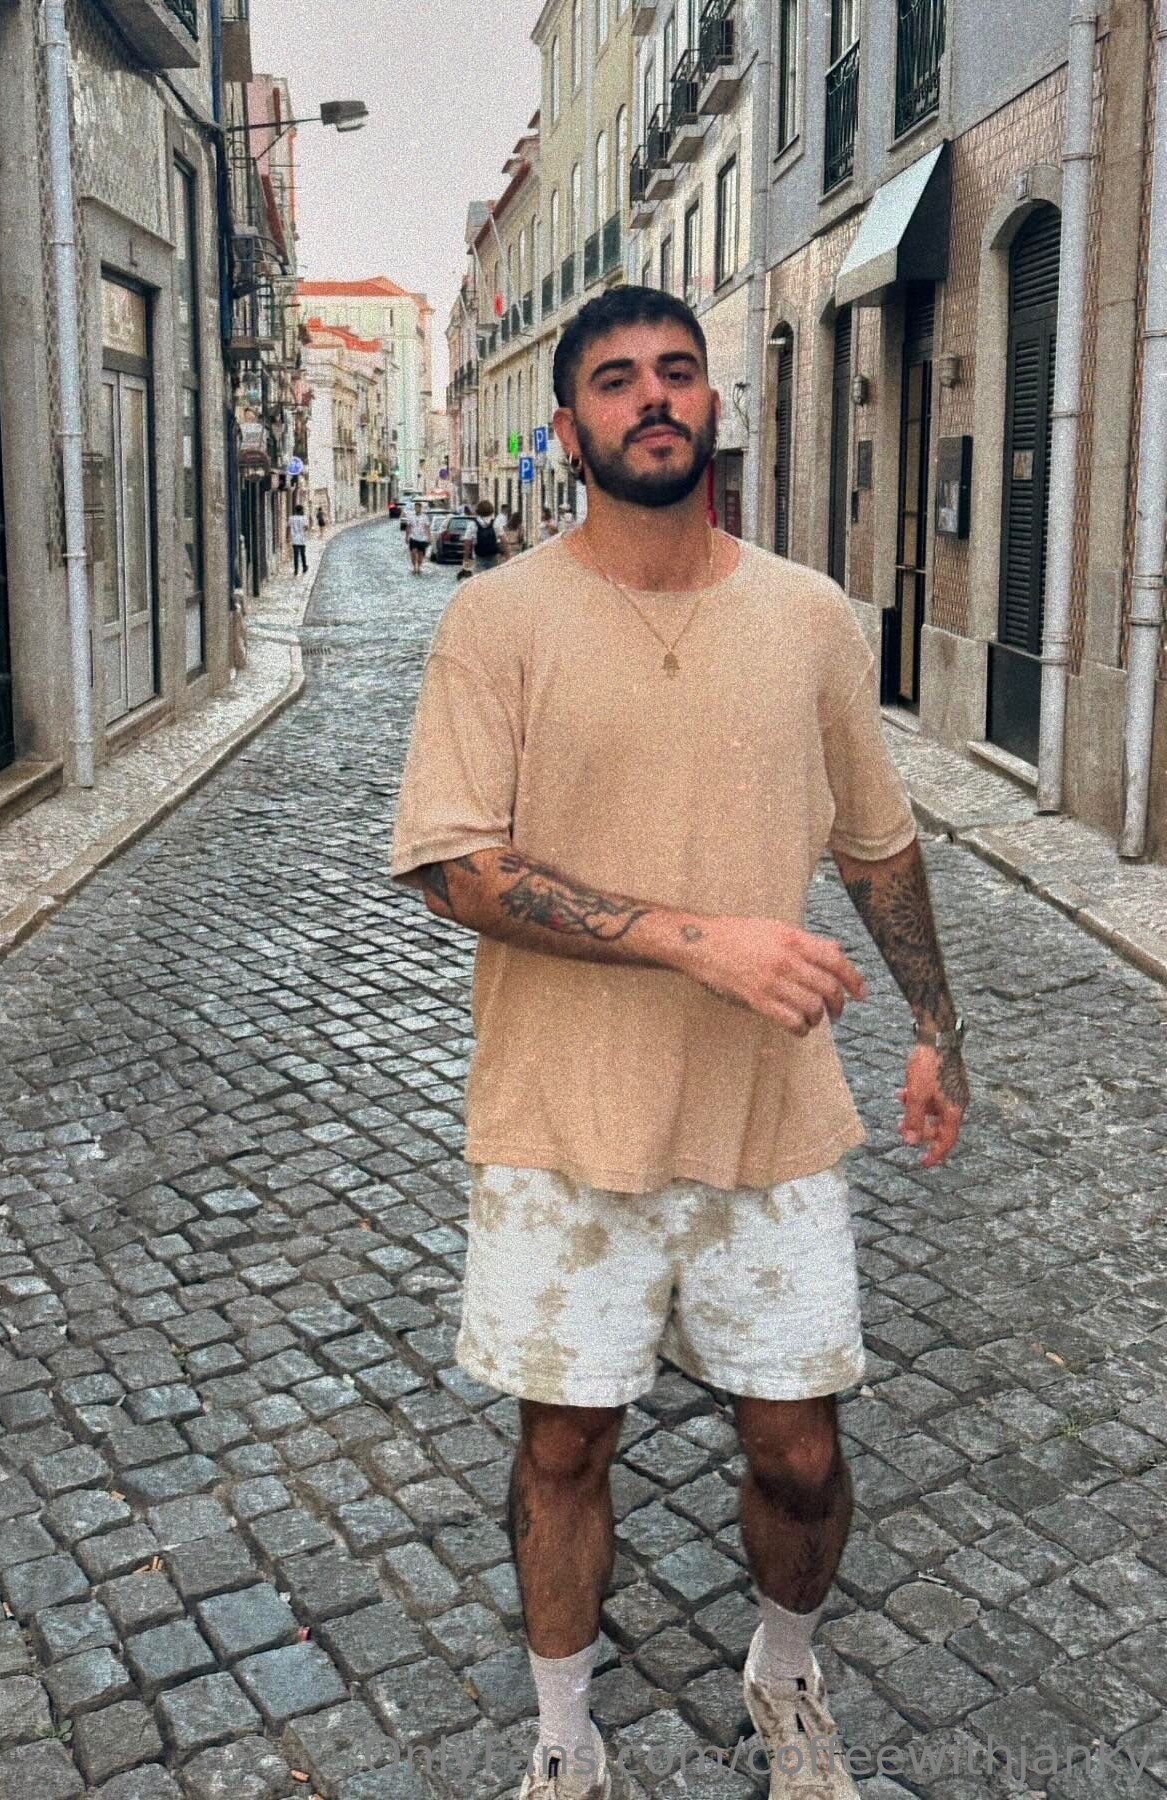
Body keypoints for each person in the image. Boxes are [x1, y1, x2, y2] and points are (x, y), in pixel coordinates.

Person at [391, 285, 968, 1800]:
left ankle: (785, 1674)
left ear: (713, 405)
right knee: (563, 1450)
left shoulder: (808, 617)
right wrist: (701, 940)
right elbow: (457, 868)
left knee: (800, 1452)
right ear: (567, 425)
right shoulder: (497, 619)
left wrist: (936, 1027)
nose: (653, 397)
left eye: (677, 372)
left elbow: (878, 842)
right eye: (616, 380)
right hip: (561, 1122)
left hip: (768, 1122)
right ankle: (565, 1737)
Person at [405, 500, 432, 574]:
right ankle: (414, 567)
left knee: (420, 554)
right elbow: (408, 527)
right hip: (413, 537)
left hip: (422, 538)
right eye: (415, 507)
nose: (416, 509)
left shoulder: (424, 517)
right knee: (413, 552)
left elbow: (427, 528)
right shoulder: (411, 517)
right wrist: (406, 537)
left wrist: (429, 537)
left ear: (420, 508)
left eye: (418, 507)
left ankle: (419, 567)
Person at [287, 505, 309, 577]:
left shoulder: (291, 518)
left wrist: (287, 537)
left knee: (295, 555)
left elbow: (288, 527)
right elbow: (306, 527)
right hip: (302, 539)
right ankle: (304, 567)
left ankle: (296, 570)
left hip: (294, 539)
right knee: (303, 554)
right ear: (301, 510)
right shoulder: (304, 518)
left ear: (296, 510)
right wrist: (304, 530)